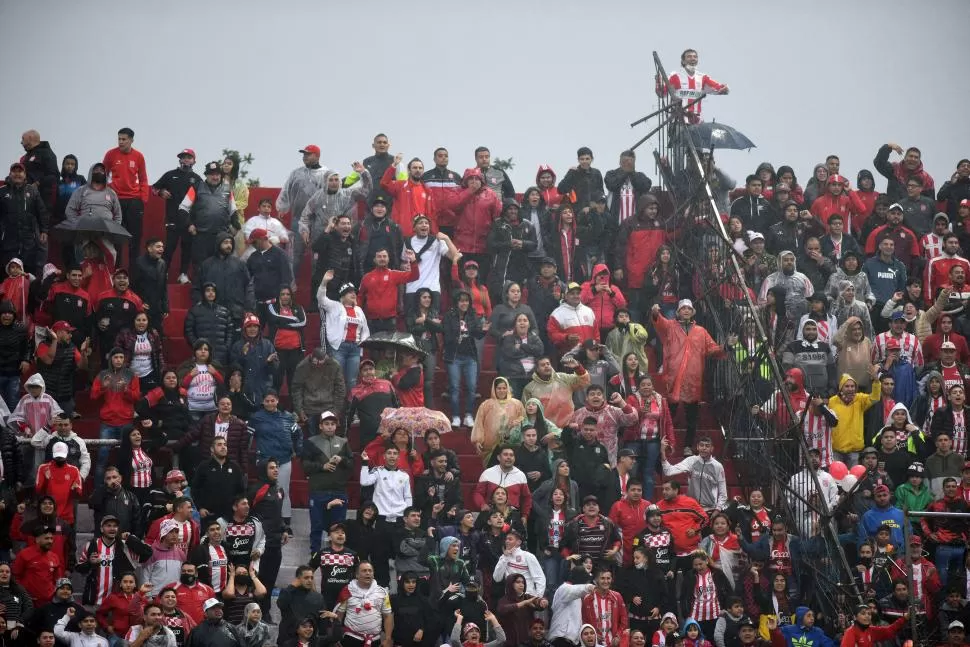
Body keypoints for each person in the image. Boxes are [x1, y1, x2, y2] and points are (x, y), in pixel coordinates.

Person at [652, 300, 726, 449]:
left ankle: (688, 446)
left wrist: (727, 346)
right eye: (683, 308)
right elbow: (659, 323)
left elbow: (712, 349)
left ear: (693, 312)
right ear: (678, 312)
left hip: (693, 378)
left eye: (689, 308)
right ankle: (665, 444)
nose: (686, 311)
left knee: (692, 417)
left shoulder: (701, 331)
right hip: (673, 377)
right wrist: (655, 313)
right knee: (669, 415)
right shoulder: (670, 327)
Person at [276, 145, 328, 278]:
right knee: (294, 256)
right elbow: (287, 189)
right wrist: (282, 207)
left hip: (318, 221)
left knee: (318, 257)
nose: (305, 157)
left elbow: (331, 195)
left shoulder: (326, 174)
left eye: (308, 154)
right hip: (298, 220)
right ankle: (289, 291)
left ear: (317, 156)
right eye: (304, 154)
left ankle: (316, 294)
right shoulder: (296, 173)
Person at [102, 128, 149, 264]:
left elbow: (143, 179)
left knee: (135, 238)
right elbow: (102, 175)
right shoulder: (110, 154)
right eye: (119, 139)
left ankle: (134, 274)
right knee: (117, 237)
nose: (121, 142)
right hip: (116, 200)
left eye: (124, 139)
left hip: (134, 200)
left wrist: (143, 199)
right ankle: (117, 271)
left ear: (131, 140)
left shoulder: (139, 156)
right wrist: (107, 193)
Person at [318, 271, 370, 389]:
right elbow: (321, 299)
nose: (353, 294)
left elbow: (365, 331)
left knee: (352, 381)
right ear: (343, 295)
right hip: (339, 348)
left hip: (355, 349)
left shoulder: (359, 310)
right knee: (338, 380)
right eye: (349, 292)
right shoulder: (334, 306)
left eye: (354, 292)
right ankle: (337, 407)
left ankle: (350, 407)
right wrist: (324, 282)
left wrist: (361, 345)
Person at [359, 248, 419, 333]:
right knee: (373, 346)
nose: (382, 259)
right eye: (379, 257)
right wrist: (358, 315)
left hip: (390, 321)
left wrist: (413, 260)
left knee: (389, 346)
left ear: (388, 259)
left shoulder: (394, 274)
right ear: (374, 259)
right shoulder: (367, 277)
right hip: (372, 321)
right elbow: (360, 298)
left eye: (384, 256)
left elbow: (415, 276)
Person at [190, 437, 247, 523]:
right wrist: (200, 508)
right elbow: (195, 489)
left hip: (230, 515)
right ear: (212, 449)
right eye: (219, 445)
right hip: (209, 515)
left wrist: (237, 507)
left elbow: (241, 491)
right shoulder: (204, 467)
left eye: (225, 445)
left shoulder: (235, 467)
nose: (223, 447)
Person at [380, 155, 433, 236]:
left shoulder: (427, 190)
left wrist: (433, 233)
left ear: (423, 171)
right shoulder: (400, 186)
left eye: (420, 168)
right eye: (415, 168)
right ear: (409, 170)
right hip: (401, 234)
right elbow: (384, 183)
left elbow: (431, 214)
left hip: (420, 235)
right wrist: (394, 165)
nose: (417, 170)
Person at [473, 446, 533, 517]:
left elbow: (526, 498)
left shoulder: (521, 475)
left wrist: (525, 515)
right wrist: (482, 504)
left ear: (514, 458)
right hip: (490, 514)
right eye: (505, 454)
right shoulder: (487, 473)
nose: (509, 457)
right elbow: (478, 493)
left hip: (513, 515)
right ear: (498, 457)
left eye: (511, 455)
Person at [12, 526, 64, 606]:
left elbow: (58, 580)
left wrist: (54, 594)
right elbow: (15, 577)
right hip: (28, 603)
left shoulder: (54, 557)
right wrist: (24, 595)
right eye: (46, 538)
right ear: (37, 539)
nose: (50, 541)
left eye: (51, 538)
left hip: (49, 602)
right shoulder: (24, 554)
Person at [246, 229, 294, 306]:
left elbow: (287, 277)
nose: (253, 245)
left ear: (263, 239)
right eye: (252, 243)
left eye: (254, 242)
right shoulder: (253, 257)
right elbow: (246, 276)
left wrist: (283, 299)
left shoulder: (280, 254)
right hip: (258, 301)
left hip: (276, 301)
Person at [548, 282, 598, 354]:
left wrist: (596, 348)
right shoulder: (556, 314)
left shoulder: (589, 311)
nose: (576, 296)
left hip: (589, 354)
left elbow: (596, 334)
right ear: (566, 296)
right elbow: (552, 335)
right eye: (572, 293)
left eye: (578, 293)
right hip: (569, 356)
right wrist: (566, 337)